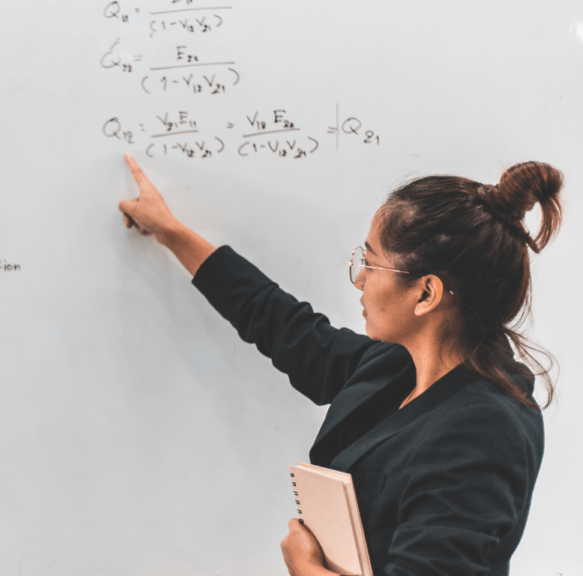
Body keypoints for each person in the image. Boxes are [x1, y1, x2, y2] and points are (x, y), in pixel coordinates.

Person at [116, 152, 563, 576]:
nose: (360, 281)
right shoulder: (395, 367)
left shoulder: (484, 431)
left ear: (426, 293)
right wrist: (170, 231)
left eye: (370, 263)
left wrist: (307, 568)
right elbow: (282, 325)